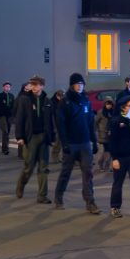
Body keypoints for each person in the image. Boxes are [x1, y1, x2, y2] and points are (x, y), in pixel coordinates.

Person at [54, 73, 101, 214]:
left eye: (82, 84)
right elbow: (60, 125)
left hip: (85, 143)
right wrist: (65, 144)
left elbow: (90, 123)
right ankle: (59, 197)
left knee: (88, 172)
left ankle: (90, 202)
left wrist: (94, 141)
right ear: (72, 85)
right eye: (77, 84)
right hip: (71, 143)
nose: (80, 86)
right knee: (66, 172)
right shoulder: (66, 102)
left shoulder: (86, 100)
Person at [14, 75, 54, 203]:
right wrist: (19, 136)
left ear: (42, 85)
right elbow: (19, 119)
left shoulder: (47, 100)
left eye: (36, 85)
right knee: (29, 167)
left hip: (44, 137)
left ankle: (42, 196)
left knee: (43, 168)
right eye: (32, 85)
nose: (34, 87)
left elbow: (51, 120)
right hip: (30, 137)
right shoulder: (25, 99)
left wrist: (51, 136)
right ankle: (21, 184)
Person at [0, 81, 16, 155]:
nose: (7, 88)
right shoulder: (0, 96)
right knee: (5, 131)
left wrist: (14, 114)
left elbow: (14, 106)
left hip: (9, 116)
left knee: (7, 132)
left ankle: (4, 147)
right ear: (3, 87)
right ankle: (5, 148)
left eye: (9, 87)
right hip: (1, 116)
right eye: (6, 86)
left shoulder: (12, 96)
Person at [95, 96, 115, 172]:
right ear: (104, 104)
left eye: (110, 104)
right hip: (103, 135)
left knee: (109, 151)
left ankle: (103, 164)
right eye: (107, 104)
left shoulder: (113, 112)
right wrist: (98, 131)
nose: (109, 106)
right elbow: (95, 122)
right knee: (107, 151)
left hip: (112, 135)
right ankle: (104, 165)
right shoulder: (101, 112)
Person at [50, 89, 65, 163]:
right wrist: (54, 127)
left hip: (64, 124)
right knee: (58, 142)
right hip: (56, 125)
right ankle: (55, 157)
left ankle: (64, 157)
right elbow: (52, 116)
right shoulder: (52, 103)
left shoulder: (63, 102)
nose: (61, 98)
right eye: (60, 97)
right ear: (57, 96)